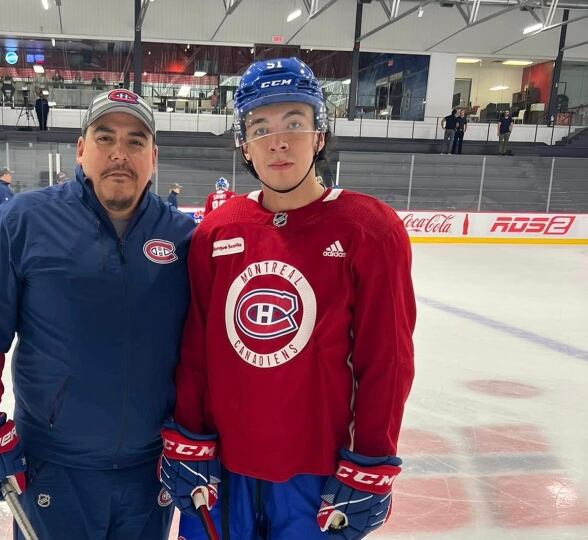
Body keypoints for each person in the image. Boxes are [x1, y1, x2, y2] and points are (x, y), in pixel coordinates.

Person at [158, 57, 415, 540]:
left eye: (294, 122)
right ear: (244, 146)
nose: (278, 140)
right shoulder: (218, 230)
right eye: (260, 127)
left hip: (318, 475)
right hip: (223, 468)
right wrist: (189, 437)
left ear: (319, 135)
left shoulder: (370, 230)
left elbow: (388, 360)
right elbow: (196, 347)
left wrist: (371, 461)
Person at [0, 88, 195, 540]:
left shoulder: (182, 235)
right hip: (53, 468)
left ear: (153, 157)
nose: (120, 153)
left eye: (136, 141)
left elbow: (202, 348)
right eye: (105, 138)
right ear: (81, 149)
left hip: (149, 472)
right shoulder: (25, 220)